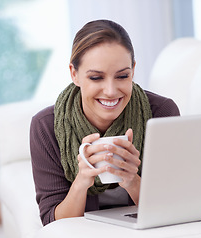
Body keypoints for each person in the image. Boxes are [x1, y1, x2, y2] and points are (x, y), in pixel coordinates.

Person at [30, 19, 180, 226]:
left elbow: (172, 209)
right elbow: (52, 222)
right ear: (74, 74)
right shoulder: (46, 126)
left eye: (122, 76)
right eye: (96, 78)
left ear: (133, 70)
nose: (110, 91)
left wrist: (132, 180)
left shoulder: (161, 113)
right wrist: (82, 181)